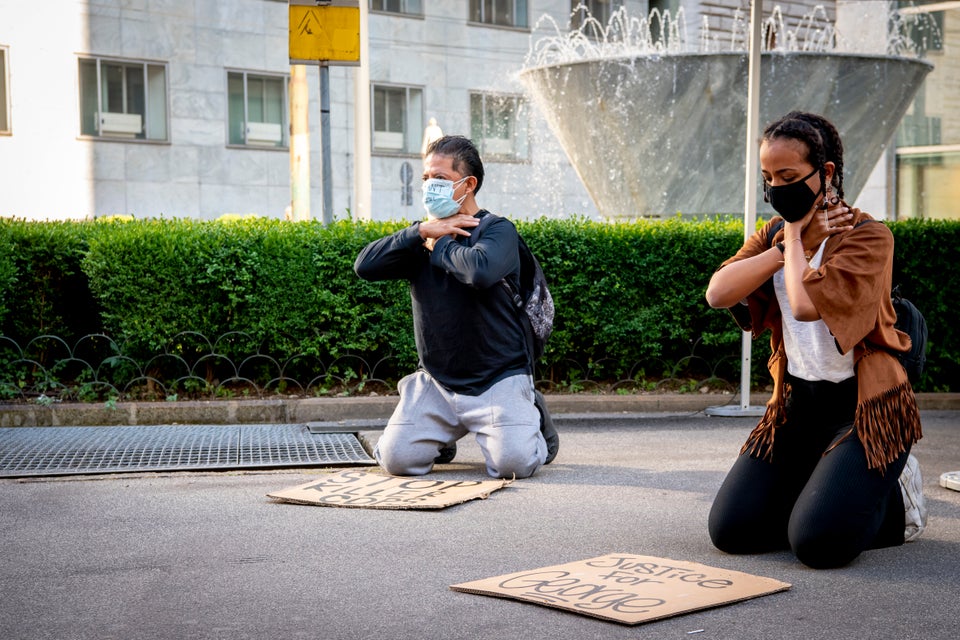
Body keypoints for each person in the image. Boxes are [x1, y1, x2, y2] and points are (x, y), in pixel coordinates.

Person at [704, 111, 927, 569]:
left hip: (865, 412)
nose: (775, 188)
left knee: (817, 545)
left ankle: (895, 498)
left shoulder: (868, 237)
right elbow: (718, 291)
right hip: (798, 409)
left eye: (787, 176)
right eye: (767, 177)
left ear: (824, 173)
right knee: (732, 531)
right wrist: (789, 242)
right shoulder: (774, 237)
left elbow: (806, 305)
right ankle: (826, 491)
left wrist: (792, 234)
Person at [354, 135, 557, 479]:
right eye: (426, 179)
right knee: (396, 460)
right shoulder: (421, 238)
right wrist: (418, 232)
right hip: (437, 382)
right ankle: (440, 438)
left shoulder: (498, 231)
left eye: (441, 179)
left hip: (498, 379)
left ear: (469, 184)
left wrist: (440, 242)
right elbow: (365, 266)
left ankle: (532, 416)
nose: (430, 186)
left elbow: (479, 271)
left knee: (514, 464)